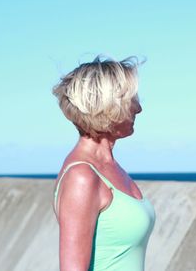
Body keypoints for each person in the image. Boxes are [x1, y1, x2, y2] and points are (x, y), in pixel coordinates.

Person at [52, 56, 155, 271]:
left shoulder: (108, 167)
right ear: (107, 106)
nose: (138, 109)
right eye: (131, 100)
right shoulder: (82, 176)